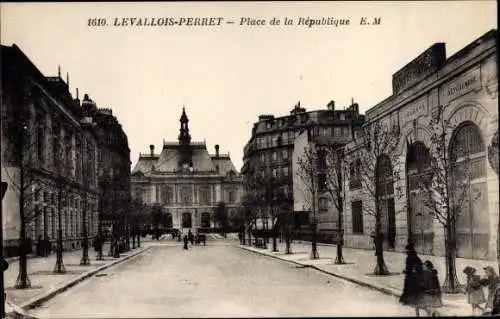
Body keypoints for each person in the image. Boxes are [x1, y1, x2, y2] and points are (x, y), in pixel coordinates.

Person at [399, 244, 428, 316]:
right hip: (413, 279)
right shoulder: (415, 257)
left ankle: (420, 312)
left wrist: (407, 271)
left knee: (416, 298)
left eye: (407, 251)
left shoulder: (411, 258)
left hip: (414, 280)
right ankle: (418, 312)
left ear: (409, 251)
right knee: (416, 299)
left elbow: (414, 269)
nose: (406, 253)